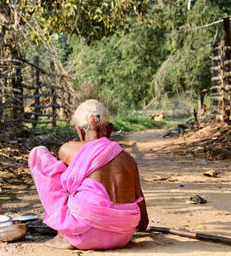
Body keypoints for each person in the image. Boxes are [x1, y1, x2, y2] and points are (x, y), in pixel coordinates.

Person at [29, 99, 149, 250]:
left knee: (37, 153)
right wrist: (136, 225)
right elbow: (143, 219)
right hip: (123, 236)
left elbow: (62, 186)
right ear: (110, 129)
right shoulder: (129, 160)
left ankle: (63, 231)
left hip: (85, 235)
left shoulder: (68, 149)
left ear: (80, 131)